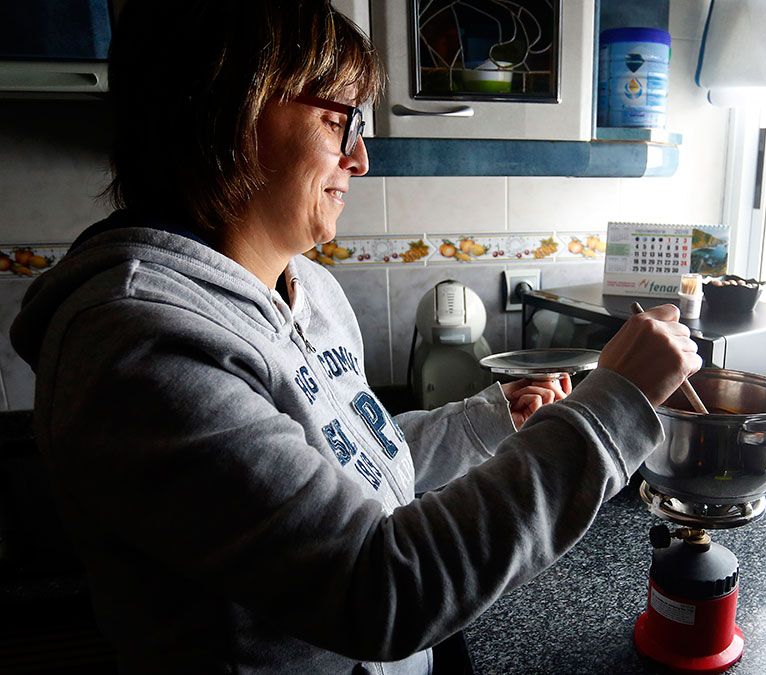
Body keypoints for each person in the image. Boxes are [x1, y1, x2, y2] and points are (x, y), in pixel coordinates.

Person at [8, 1, 701, 672]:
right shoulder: (141, 346)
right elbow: (378, 586)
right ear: (230, 109)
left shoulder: (306, 286)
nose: (361, 158)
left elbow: (355, 463)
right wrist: (613, 405)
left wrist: (484, 423)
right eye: (343, 119)